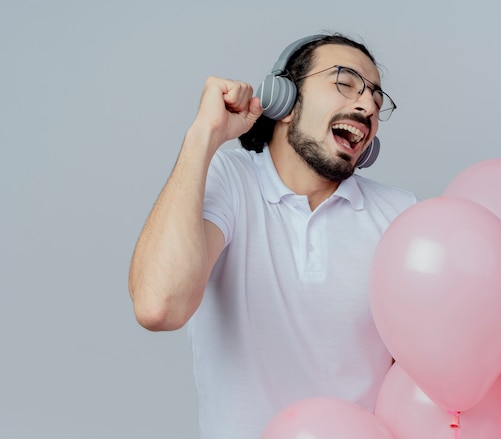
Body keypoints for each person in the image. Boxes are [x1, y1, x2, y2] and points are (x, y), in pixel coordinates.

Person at [128, 32, 417, 439]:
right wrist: (203, 135)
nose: (367, 104)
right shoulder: (228, 182)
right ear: (283, 101)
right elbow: (160, 306)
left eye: (375, 97)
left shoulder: (402, 216)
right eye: (345, 82)